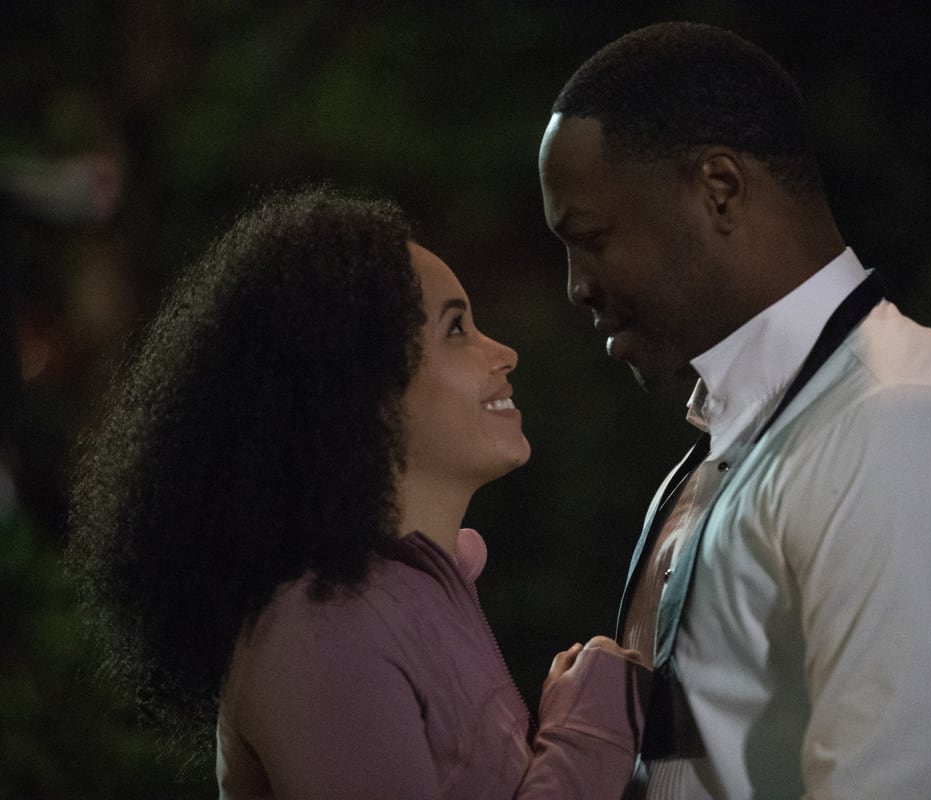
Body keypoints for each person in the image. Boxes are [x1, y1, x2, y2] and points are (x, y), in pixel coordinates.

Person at [538, 22, 931, 799]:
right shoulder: (750, 435)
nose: (576, 285)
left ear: (720, 188)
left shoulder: (905, 425)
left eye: (591, 237)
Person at [66, 187, 649, 799]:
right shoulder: (322, 628)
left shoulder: (397, 598)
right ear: (355, 388)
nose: (504, 354)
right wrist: (589, 731)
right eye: (456, 329)